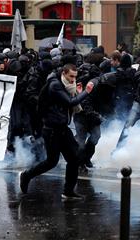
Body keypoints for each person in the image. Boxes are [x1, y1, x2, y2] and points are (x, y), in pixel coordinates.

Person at [19, 64, 95, 200]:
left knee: (74, 159)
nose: (73, 80)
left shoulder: (66, 85)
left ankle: (68, 191)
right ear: (63, 74)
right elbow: (70, 102)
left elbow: (71, 100)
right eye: (71, 76)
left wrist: (78, 92)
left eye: (75, 77)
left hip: (62, 129)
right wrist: (86, 92)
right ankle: (26, 175)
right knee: (51, 162)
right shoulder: (55, 85)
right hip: (52, 130)